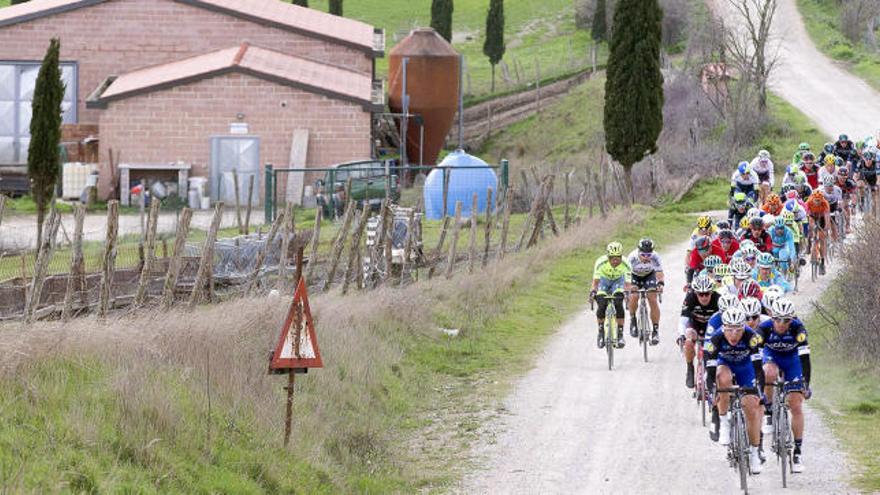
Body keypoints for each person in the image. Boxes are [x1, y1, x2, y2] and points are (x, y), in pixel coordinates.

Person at [706, 307, 766, 474]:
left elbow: (758, 368)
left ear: (744, 327)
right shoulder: (716, 338)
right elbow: (710, 371)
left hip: (746, 368)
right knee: (722, 379)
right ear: (723, 327)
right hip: (725, 364)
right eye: (729, 330)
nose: (733, 335)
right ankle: (724, 422)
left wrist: (759, 391)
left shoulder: (751, 337)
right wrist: (713, 391)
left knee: (752, 408)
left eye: (738, 330)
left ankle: (754, 453)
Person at [755, 298, 812, 474]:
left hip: (792, 360)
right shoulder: (763, 329)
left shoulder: (798, 328)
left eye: (786, 320)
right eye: (778, 319)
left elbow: (805, 359)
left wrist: (805, 384)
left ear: (792, 319)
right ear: (771, 316)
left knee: (795, 404)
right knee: (769, 373)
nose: (781, 323)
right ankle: (770, 412)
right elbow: (755, 359)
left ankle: (797, 452)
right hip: (771, 357)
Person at [678, 275, 720, 388]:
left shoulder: (718, 299)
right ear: (696, 293)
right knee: (688, 341)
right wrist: (682, 335)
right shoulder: (690, 298)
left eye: (707, 293)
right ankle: (690, 368)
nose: (704, 297)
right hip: (695, 327)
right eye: (701, 294)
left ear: (711, 292)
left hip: (712, 328)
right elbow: (683, 320)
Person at [591, 242, 632, 349]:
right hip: (603, 281)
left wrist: (627, 293)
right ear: (608, 256)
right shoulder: (600, 262)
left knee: (618, 303)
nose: (615, 261)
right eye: (612, 258)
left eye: (617, 258)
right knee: (602, 304)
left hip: (618, 281)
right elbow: (595, 282)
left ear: (621, 256)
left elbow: (628, 284)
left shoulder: (626, 263)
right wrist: (593, 292)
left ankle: (620, 334)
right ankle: (601, 332)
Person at [627, 238, 664, 345]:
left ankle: (655, 331)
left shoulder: (656, 257)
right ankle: (633, 320)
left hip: (649, 275)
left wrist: (660, 284)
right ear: (638, 251)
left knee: (652, 299)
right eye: (643, 255)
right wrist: (629, 288)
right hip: (634, 276)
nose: (646, 257)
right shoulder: (632, 257)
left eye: (649, 255)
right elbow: (626, 275)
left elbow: (659, 273)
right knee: (634, 296)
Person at [805, 191, 831, 275]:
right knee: (810, 227)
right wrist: (810, 227)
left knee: (822, 239)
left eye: (819, 200)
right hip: (812, 216)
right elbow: (807, 215)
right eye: (815, 200)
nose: (817, 202)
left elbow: (827, 216)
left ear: (822, 199)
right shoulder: (808, 202)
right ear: (812, 199)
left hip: (822, 217)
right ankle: (809, 244)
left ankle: (822, 263)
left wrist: (826, 226)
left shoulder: (825, 203)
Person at [819, 175, 845, 239]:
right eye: (827, 186)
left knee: (834, 223)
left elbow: (840, 202)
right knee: (823, 224)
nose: (829, 188)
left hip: (833, 205)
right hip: (824, 206)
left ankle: (835, 238)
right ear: (824, 185)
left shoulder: (837, 190)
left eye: (831, 185)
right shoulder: (820, 190)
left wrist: (839, 210)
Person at [835, 168, 857, 234]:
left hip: (845, 195)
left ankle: (848, 225)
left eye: (844, 178)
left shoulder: (850, 182)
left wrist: (853, 205)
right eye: (841, 177)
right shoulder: (833, 181)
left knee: (846, 206)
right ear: (837, 176)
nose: (842, 179)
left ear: (847, 177)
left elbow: (854, 195)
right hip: (836, 196)